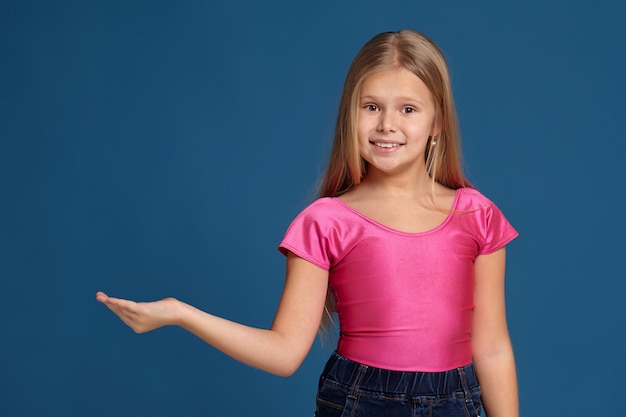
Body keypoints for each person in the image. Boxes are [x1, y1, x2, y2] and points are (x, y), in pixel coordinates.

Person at [97, 29, 519, 417]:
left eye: (408, 108)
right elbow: (284, 353)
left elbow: (493, 347)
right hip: (357, 400)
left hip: (455, 402)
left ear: (437, 123)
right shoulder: (325, 222)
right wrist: (180, 313)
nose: (387, 124)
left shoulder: (476, 216)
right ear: (349, 115)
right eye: (371, 107)